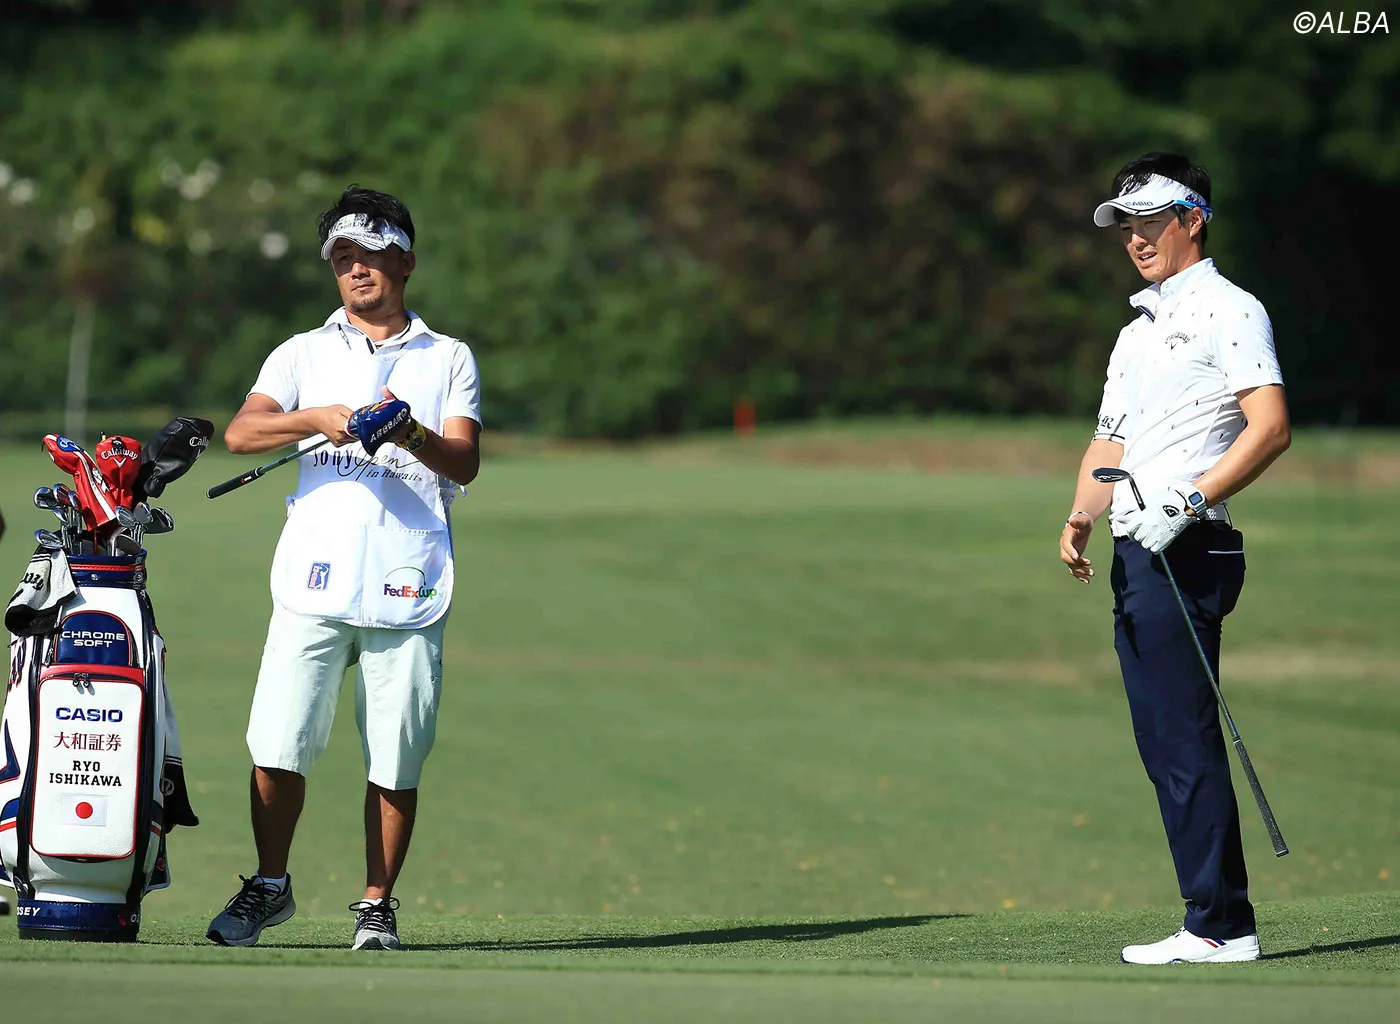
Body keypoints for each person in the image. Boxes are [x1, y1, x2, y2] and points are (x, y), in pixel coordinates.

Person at [206, 186, 481, 950]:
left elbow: (465, 460)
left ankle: (376, 905)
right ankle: (270, 886)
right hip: (313, 578)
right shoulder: (302, 351)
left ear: (407, 261)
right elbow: (242, 433)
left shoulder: (448, 357)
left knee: (396, 757)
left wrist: (410, 432)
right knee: (277, 745)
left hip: (408, 580)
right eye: (343, 258)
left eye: (372, 255)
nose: (357, 270)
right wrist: (317, 419)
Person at [1059, 153, 1291, 964]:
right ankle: (1217, 917)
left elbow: (1270, 428)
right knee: (1163, 740)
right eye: (1126, 225)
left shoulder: (1233, 310)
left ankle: (1220, 925)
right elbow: (1109, 443)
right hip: (1138, 548)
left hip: (1190, 543)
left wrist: (1188, 500)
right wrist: (1082, 513)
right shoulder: (1136, 332)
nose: (1136, 238)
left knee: (1182, 738)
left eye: (1151, 221)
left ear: (1194, 219)